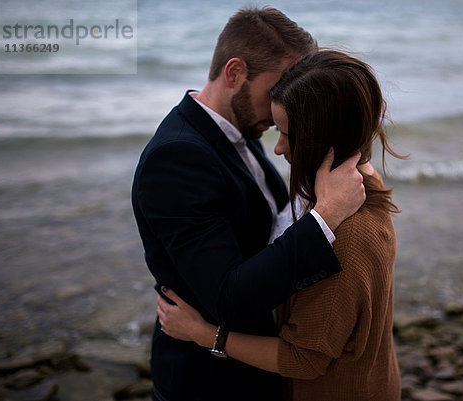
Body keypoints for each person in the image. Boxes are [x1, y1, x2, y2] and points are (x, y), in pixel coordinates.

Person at [131, 8, 366, 401]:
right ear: (235, 73)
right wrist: (326, 217)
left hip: (255, 368)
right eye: (278, 90)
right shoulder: (175, 158)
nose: (285, 106)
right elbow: (229, 299)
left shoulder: (239, 131)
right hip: (210, 383)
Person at [157, 50, 403, 401]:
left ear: (324, 139)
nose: (278, 148)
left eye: (288, 134)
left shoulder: (347, 235)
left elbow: (303, 358)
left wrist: (204, 333)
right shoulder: (357, 182)